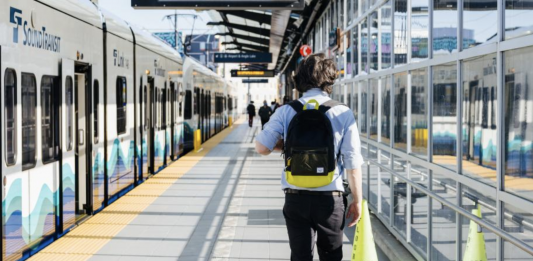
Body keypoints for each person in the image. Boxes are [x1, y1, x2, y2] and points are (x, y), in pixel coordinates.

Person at [254, 53, 364, 261]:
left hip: (296, 197)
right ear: (330, 78)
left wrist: (288, 148)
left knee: (300, 255)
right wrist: (357, 201)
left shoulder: (286, 111)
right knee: (331, 256)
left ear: (299, 80)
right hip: (330, 200)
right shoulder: (342, 112)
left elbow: (261, 147)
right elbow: (352, 162)